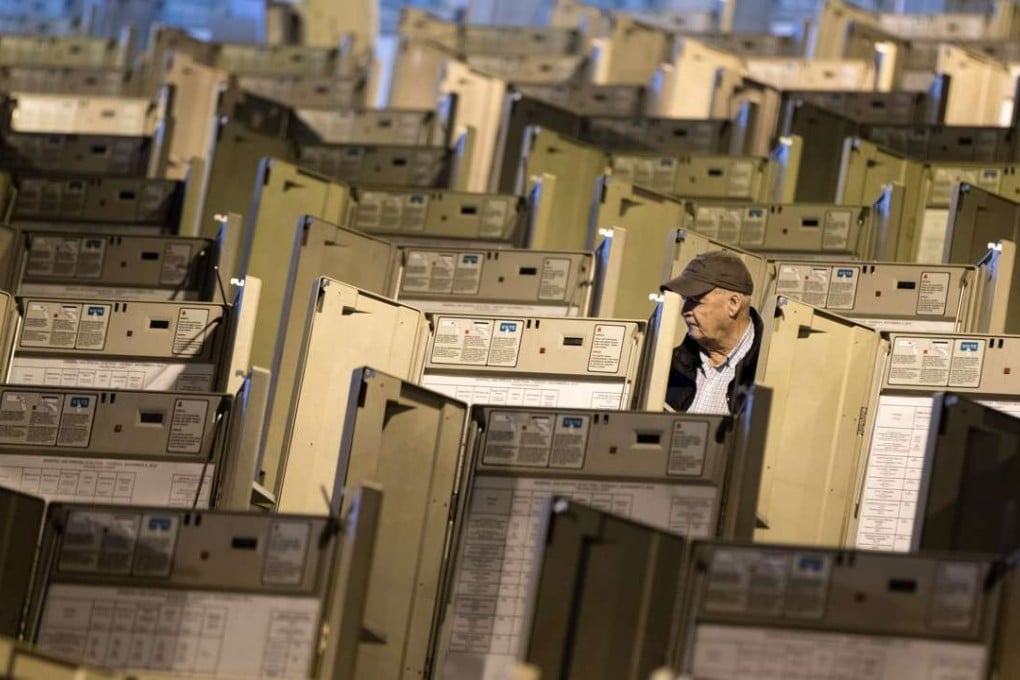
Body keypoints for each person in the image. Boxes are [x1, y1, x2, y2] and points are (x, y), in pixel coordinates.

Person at [660, 250, 763, 415]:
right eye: (686, 300)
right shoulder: (670, 366)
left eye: (695, 301)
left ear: (733, 304)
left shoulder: (768, 372)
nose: (684, 311)